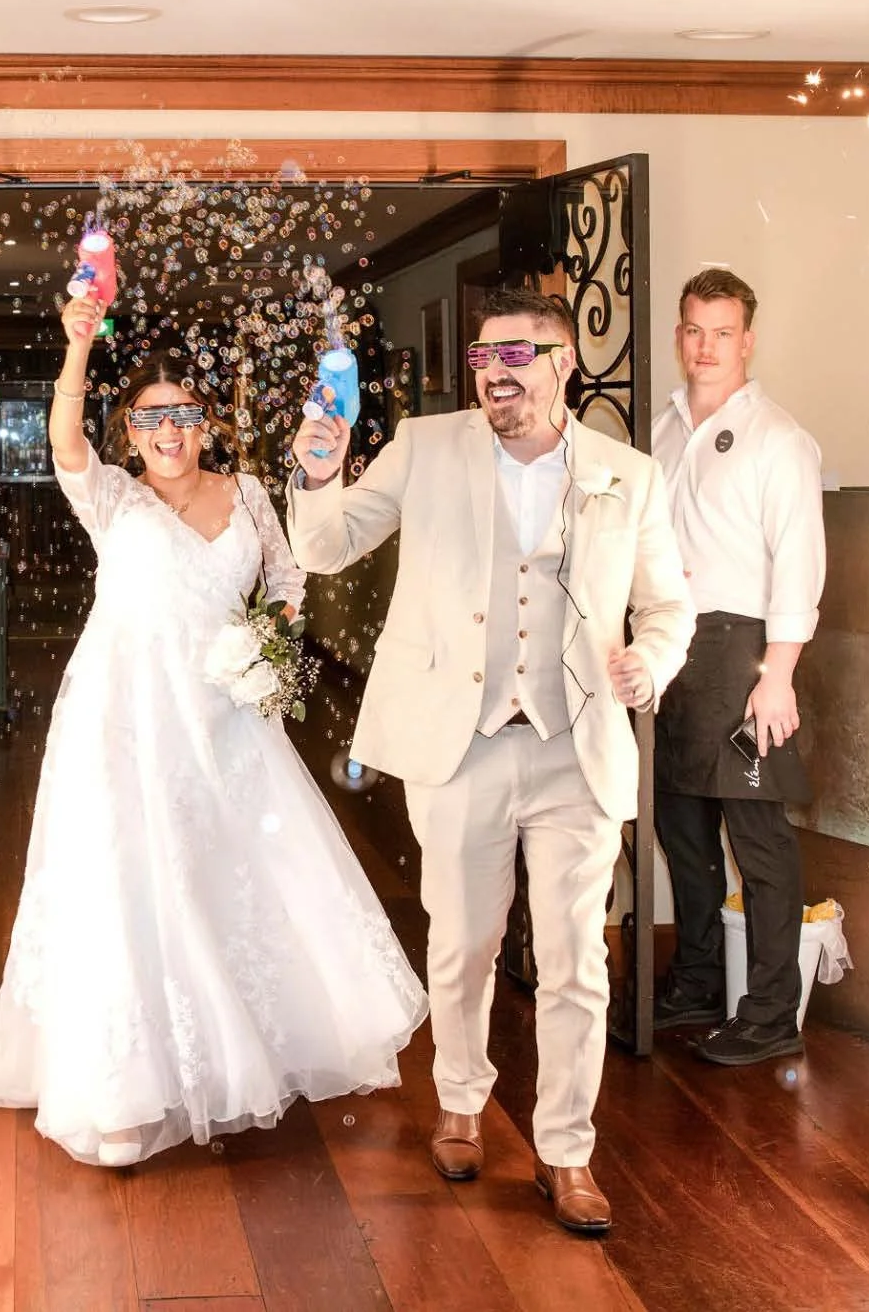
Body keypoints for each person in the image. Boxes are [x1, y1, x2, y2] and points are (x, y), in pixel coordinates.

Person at [0, 292, 426, 1168]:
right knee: (127, 880)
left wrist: (269, 644)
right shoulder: (111, 498)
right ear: (130, 431)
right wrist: (77, 343)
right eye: (152, 416)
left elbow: (286, 583)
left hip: (225, 720)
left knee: (229, 872)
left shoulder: (253, 495)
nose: (170, 429)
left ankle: (244, 1050)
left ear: (205, 423)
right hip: (123, 716)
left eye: (185, 414)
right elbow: (62, 439)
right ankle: (120, 1085)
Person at [288, 286, 694, 1235]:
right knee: (463, 941)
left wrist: (652, 659)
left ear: (565, 362)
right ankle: (462, 1101)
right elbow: (329, 544)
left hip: (574, 743)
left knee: (576, 960)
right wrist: (318, 471)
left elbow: (670, 603)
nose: (496, 372)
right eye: (482, 356)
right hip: (458, 740)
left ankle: (567, 1151)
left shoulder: (627, 473)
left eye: (517, 354)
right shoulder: (428, 447)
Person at [650, 268, 825, 1065]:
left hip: (746, 652)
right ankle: (693, 980)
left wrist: (778, 672)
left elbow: (798, 561)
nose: (705, 345)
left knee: (755, 836)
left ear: (747, 340)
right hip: (672, 645)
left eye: (722, 331)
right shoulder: (664, 426)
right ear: (679, 335)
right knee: (680, 826)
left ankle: (771, 1009)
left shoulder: (780, 439)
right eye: (693, 329)